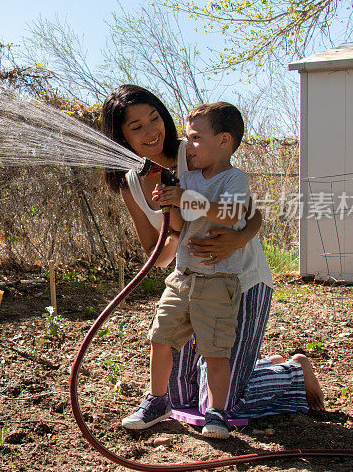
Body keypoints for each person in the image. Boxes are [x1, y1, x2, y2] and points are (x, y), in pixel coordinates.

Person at [99, 86, 323, 432]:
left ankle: (293, 372)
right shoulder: (130, 182)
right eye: (136, 126)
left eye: (154, 118)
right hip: (191, 280)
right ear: (121, 135)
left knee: (224, 401)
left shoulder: (195, 150)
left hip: (240, 279)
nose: (151, 131)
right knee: (180, 393)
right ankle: (256, 366)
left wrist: (234, 240)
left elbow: (251, 213)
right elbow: (155, 252)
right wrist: (175, 230)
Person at [134, 101, 263, 438]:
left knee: (215, 350)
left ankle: (217, 414)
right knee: (161, 337)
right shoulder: (188, 177)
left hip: (218, 282)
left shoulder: (234, 179)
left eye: (194, 139)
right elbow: (179, 225)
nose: (187, 146)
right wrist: (169, 202)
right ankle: (157, 400)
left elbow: (232, 213)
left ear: (223, 141)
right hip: (182, 276)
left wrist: (184, 197)